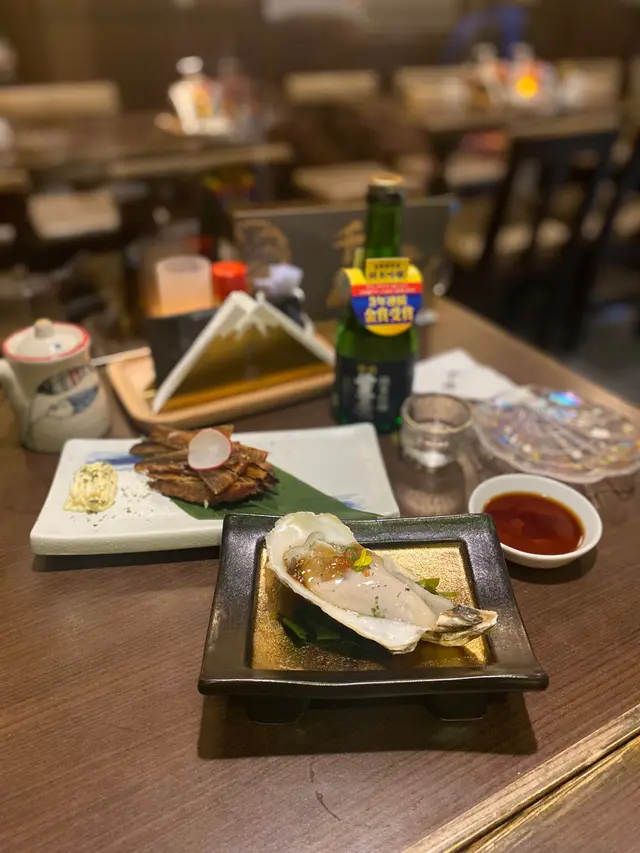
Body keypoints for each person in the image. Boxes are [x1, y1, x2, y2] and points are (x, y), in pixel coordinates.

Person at [442, 1, 533, 62]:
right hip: (472, 68)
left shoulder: (516, 17)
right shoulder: (469, 23)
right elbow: (449, 58)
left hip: (513, 70)